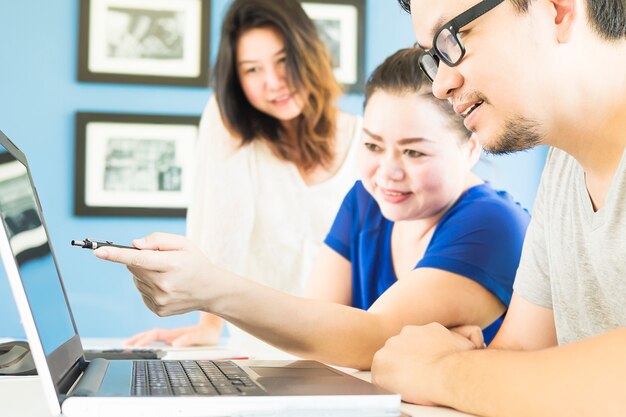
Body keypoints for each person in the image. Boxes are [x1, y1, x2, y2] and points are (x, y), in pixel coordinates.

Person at [95, 47, 530, 370]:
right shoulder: (367, 200)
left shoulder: (492, 225)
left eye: (414, 153)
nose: (387, 173)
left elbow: (369, 338)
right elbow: (312, 329)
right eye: (373, 145)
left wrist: (212, 289)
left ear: (471, 148)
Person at [369, 1, 626, 416]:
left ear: (557, 11)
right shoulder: (563, 168)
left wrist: (441, 370)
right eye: (433, 58)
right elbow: (518, 352)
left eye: (454, 37)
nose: (441, 85)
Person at [124, 0, 362, 348]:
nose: (273, 83)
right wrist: (208, 324)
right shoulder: (232, 129)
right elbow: (220, 230)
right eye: (252, 70)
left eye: (283, 61)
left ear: (310, 53)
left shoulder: (367, 139)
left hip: (348, 349)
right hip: (263, 350)